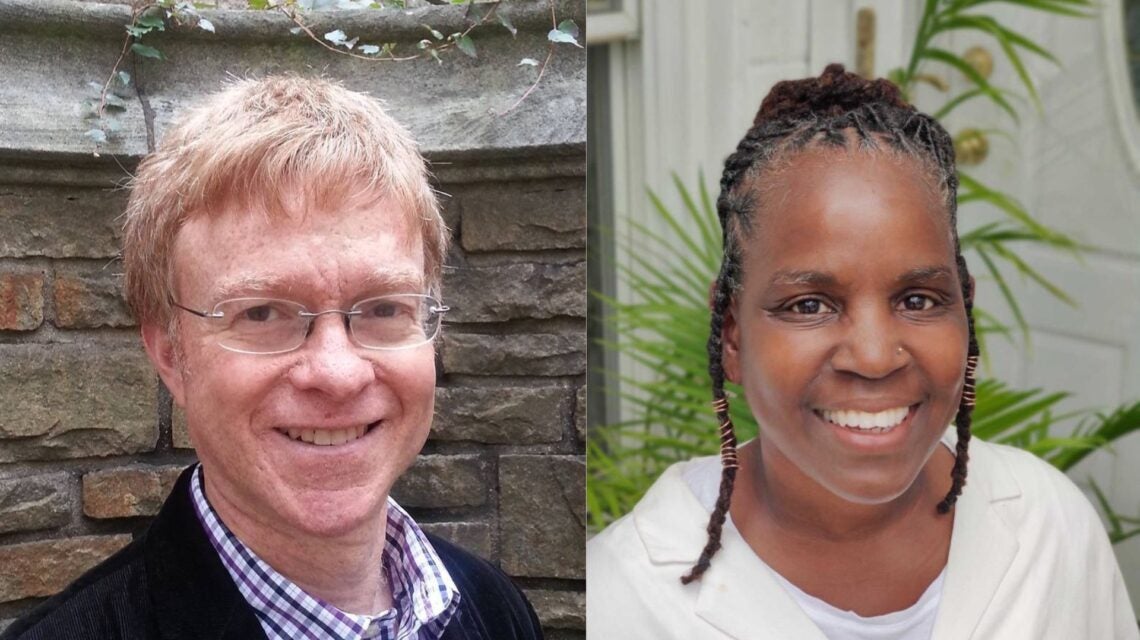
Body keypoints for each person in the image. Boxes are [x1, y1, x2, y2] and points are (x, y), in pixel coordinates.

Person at [586, 65, 1138, 639]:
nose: (875, 358)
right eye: (809, 305)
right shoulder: (621, 602)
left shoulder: (1051, 528)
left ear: (965, 311)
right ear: (732, 336)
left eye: (918, 300)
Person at [2, 76, 542, 640]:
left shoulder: (496, 609)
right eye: (261, 313)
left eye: (384, 307)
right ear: (170, 355)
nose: (337, 373)